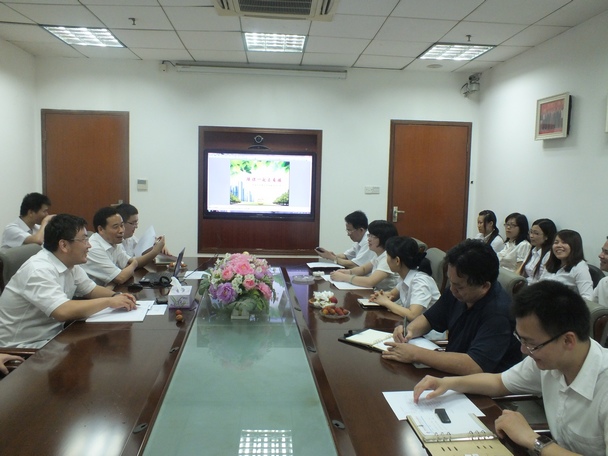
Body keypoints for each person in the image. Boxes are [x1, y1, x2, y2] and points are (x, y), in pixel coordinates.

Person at [413, 281, 608, 456]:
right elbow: (499, 382)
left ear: (568, 340)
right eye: (521, 339)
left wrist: (534, 440)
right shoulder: (551, 359)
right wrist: (448, 383)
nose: (524, 350)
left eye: (531, 343)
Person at [384, 239, 521, 375]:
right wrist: (408, 331)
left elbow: (475, 365)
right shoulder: (457, 292)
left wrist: (416, 354)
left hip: (482, 383)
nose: (452, 289)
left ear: (484, 286)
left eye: (459, 286)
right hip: (452, 372)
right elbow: (429, 319)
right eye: (451, 281)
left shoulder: (499, 313)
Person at [0, 214, 137, 348]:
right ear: (64, 245)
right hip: (23, 347)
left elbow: (91, 289)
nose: (89, 245)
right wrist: (109, 302)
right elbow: (62, 311)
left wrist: (117, 296)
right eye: (84, 240)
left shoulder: (69, 264)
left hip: (54, 337)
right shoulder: (38, 269)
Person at [81, 206, 165, 286]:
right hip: (92, 294)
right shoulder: (93, 248)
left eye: (122, 226)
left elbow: (128, 264)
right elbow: (121, 278)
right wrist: (134, 263)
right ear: (101, 229)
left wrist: (154, 250)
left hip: (107, 289)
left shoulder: (114, 242)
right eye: (115, 227)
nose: (121, 230)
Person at [368, 236, 440, 322]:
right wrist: (381, 296)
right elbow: (392, 294)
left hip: (428, 330)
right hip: (411, 325)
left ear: (397, 261)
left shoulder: (420, 281)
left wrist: (386, 302)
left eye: (387, 256)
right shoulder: (406, 275)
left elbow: (413, 315)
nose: (386, 260)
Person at [329, 220, 399, 291]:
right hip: (377, 293)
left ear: (384, 238)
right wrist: (348, 272)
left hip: (388, 295)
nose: (369, 239)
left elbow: (370, 282)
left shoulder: (388, 258)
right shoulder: (379, 254)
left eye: (373, 236)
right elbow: (363, 269)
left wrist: (344, 277)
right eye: (369, 235)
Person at [540, 229, 593, 300]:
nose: (558, 245)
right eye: (556, 242)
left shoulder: (580, 267)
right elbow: (539, 285)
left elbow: (588, 298)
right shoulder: (551, 263)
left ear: (574, 246)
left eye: (564, 242)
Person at [521, 218, 557, 285]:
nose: (531, 236)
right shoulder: (533, 250)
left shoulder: (549, 255)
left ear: (546, 236)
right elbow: (522, 270)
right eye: (531, 232)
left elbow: (544, 281)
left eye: (536, 233)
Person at [592, 237, 608, 307]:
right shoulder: (603, 282)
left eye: (606, 252)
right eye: (602, 251)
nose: (600, 255)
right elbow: (590, 307)